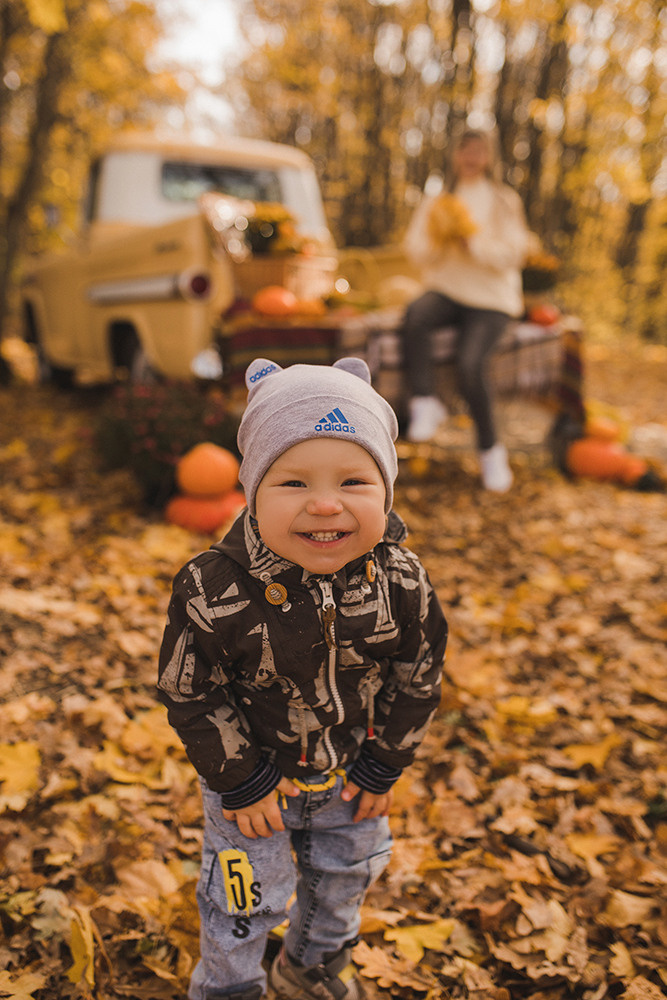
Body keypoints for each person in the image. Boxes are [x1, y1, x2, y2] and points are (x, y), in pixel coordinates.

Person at [158, 357, 448, 1000]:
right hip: (252, 786)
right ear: (252, 492)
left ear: (387, 490)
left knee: (346, 881)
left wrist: (385, 763)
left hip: (351, 774)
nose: (324, 504)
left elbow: (419, 673)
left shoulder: (401, 581)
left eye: (353, 481)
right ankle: (231, 988)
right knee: (244, 899)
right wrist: (241, 781)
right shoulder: (213, 586)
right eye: (291, 483)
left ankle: (308, 968)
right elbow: (190, 689)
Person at [399, 128, 533, 492]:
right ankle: (425, 399)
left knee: (471, 364)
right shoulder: (437, 200)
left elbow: (514, 254)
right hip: (448, 290)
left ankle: (492, 452)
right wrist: (440, 243)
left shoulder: (504, 201)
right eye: (465, 150)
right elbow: (415, 249)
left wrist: (471, 241)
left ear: (489, 157)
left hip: (492, 300)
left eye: (479, 151)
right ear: (456, 155)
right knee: (415, 317)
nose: (472, 157)